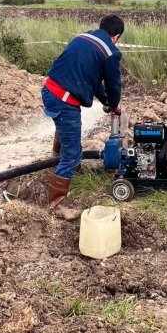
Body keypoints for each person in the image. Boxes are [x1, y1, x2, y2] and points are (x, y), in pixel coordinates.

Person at [41, 15, 124, 209]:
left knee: (65, 130)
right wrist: (114, 102)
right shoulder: (111, 53)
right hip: (64, 99)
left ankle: (58, 165)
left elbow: (93, 80)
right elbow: (113, 85)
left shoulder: (83, 38)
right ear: (116, 36)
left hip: (49, 90)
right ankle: (56, 205)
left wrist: (106, 101)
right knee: (72, 155)